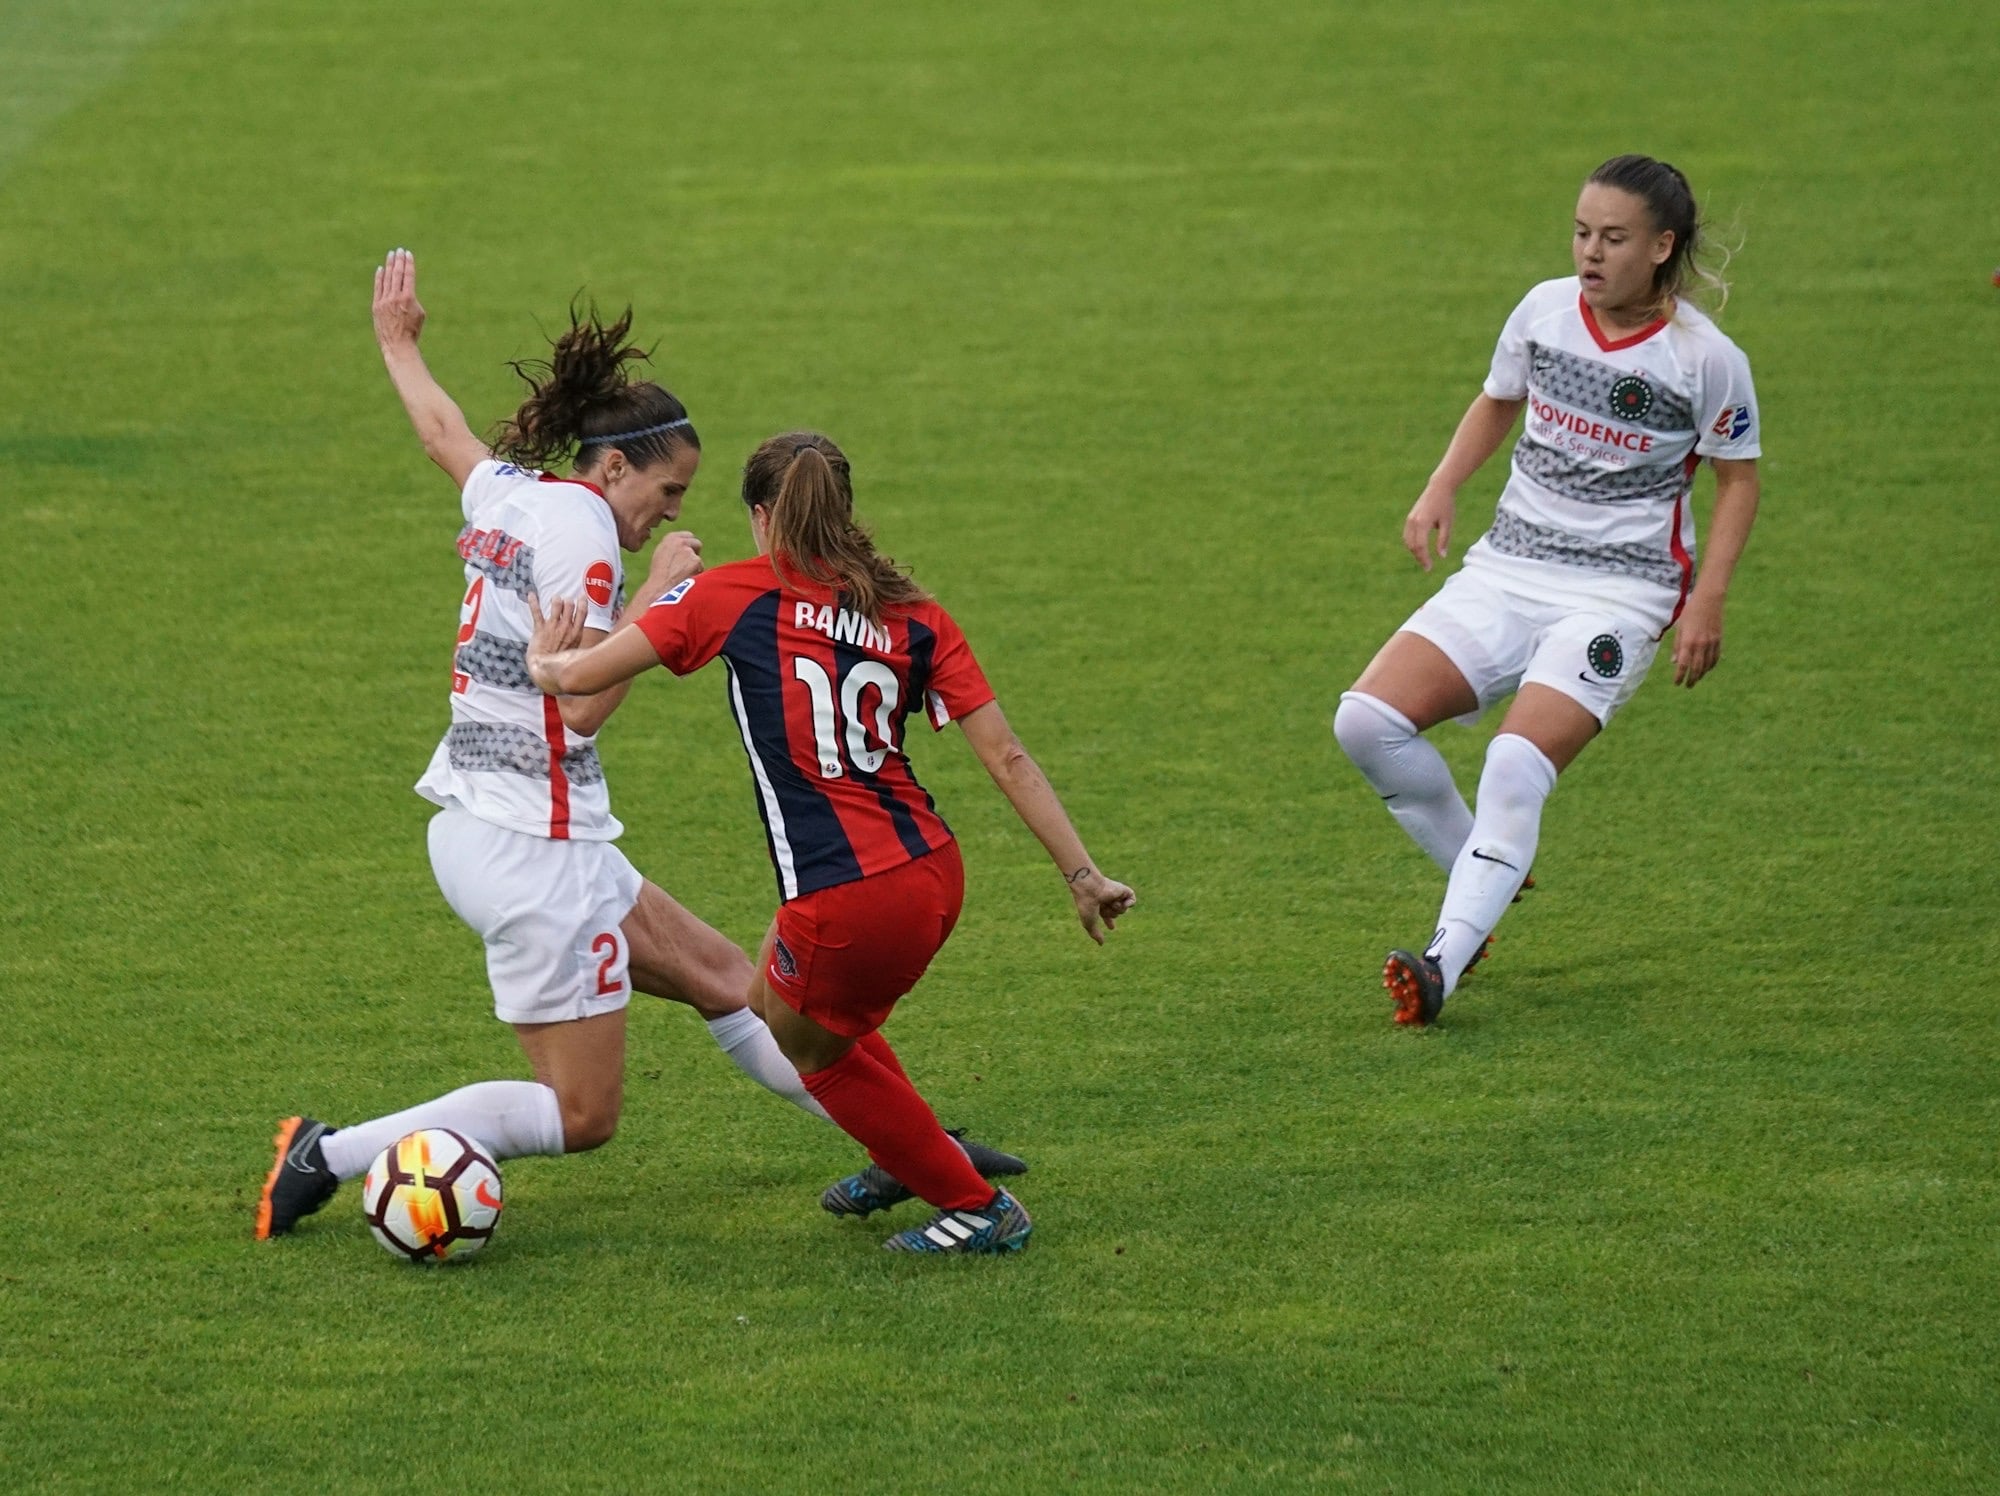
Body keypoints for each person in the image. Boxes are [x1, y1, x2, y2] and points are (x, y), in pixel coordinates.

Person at [257, 252, 1020, 1238]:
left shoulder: (514, 495)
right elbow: (579, 705)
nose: (672, 511)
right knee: (582, 1115)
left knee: (732, 985)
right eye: (667, 490)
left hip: (493, 826)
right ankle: (328, 1153)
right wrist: (661, 591)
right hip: (533, 848)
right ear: (612, 468)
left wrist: (397, 344)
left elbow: (444, 434)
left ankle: (918, 1147)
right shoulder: (581, 536)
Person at [525, 432, 1136, 1253]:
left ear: (761, 517)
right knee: (768, 1000)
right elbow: (1008, 757)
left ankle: (977, 1204)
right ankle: (904, 1154)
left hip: (849, 895)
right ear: (842, 514)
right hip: (931, 871)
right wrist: (1083, 875)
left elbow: (581, 681)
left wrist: (545, 659)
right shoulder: (913, 612)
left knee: (813, 1049)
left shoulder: (730, 594)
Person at [1332, 155, 1762, 1026]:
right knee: (1366, 723)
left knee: (1514, 764)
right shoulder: (1543, 311)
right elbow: (1499, 398)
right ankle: (1485, 868)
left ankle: (1445, 960)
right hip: (1507, 569)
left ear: (1662, 247)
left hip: (1620, 597)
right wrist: (1441, 486)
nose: (1590, 253)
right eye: (1581, 233)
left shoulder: (1704, 360)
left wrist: (1707, 602)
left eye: (1614, 238)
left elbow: (1739, 478)